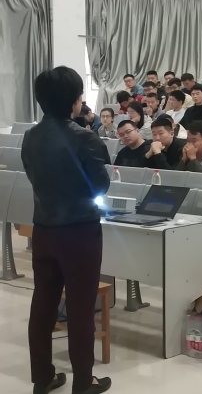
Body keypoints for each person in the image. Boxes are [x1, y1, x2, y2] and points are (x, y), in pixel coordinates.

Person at [22, 67, 112, 394]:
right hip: (79, 232)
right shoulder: (85, 137)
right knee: (80, 307)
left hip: (43, 228)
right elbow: (100, 185)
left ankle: (42, 377)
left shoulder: (30, 136)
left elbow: (32, 176)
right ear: (75, 101)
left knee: (43, 304)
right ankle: (83, 382)